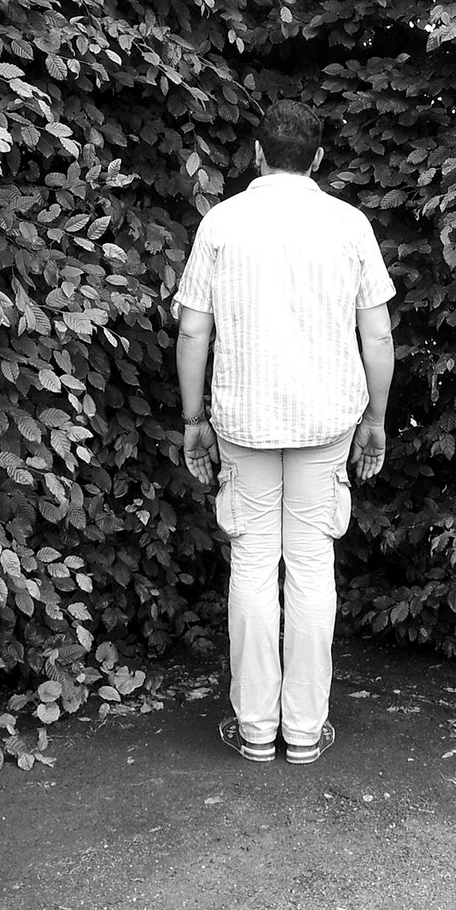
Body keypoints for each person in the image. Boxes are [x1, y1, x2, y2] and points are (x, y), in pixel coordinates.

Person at [173, 99, 395, 764]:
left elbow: (193, 330)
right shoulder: (349, 224)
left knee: (250, 563)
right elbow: (378, 335)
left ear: (258, 154)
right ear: (318, 159)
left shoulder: (221, 222)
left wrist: (193, 420)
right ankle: (303, 731)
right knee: (311, 566)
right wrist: (376, 420)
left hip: (243, 423)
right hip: (325, 423)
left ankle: (253, 728)